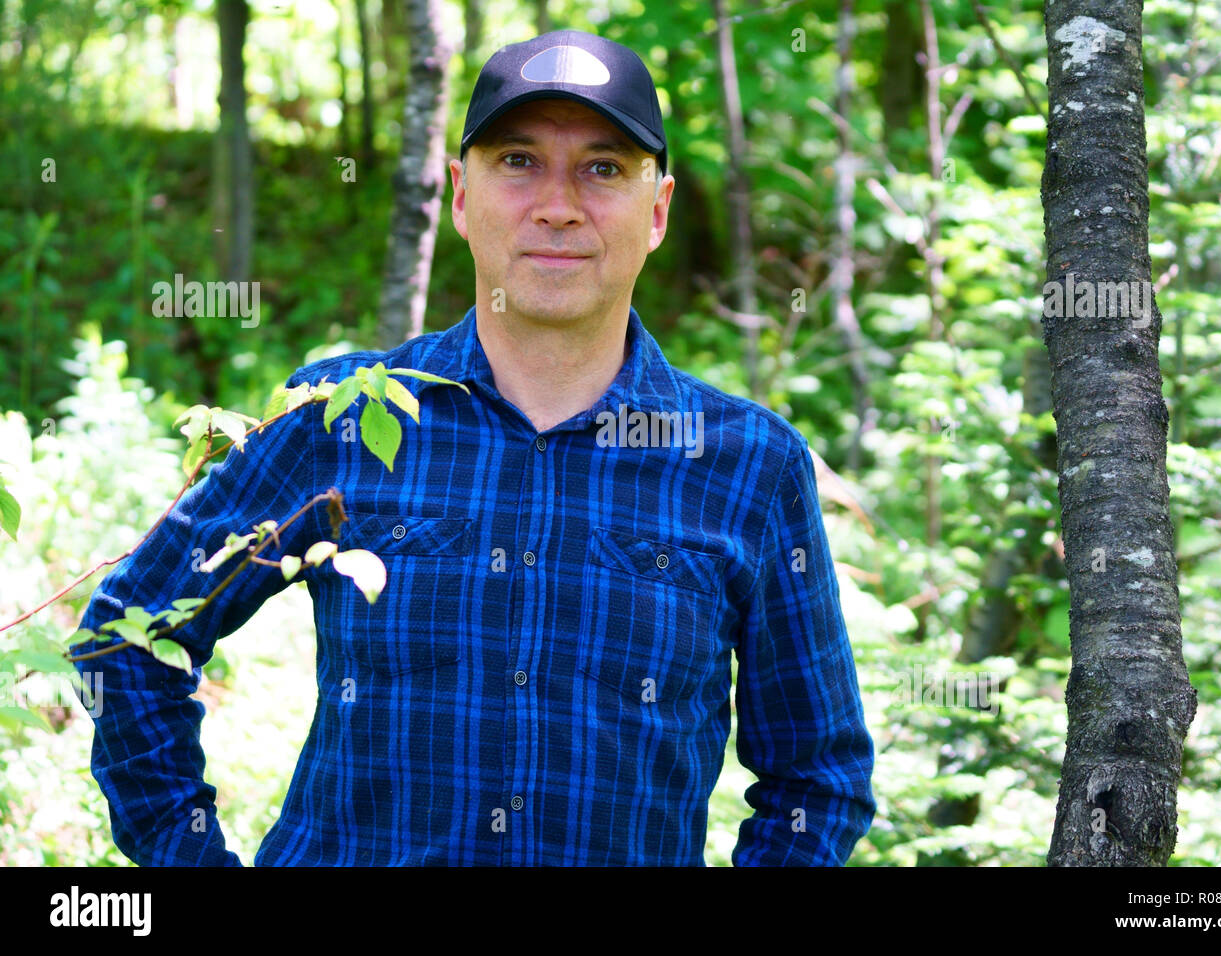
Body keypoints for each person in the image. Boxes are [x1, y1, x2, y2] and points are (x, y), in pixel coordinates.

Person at [71, 28, 876, 866]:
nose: (558, 204)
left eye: (603, 168)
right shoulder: (339, 419)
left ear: (659, 210)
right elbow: (126, 642)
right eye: (519, 161)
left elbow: (817, 777)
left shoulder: (748, 464)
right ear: (460, 196)